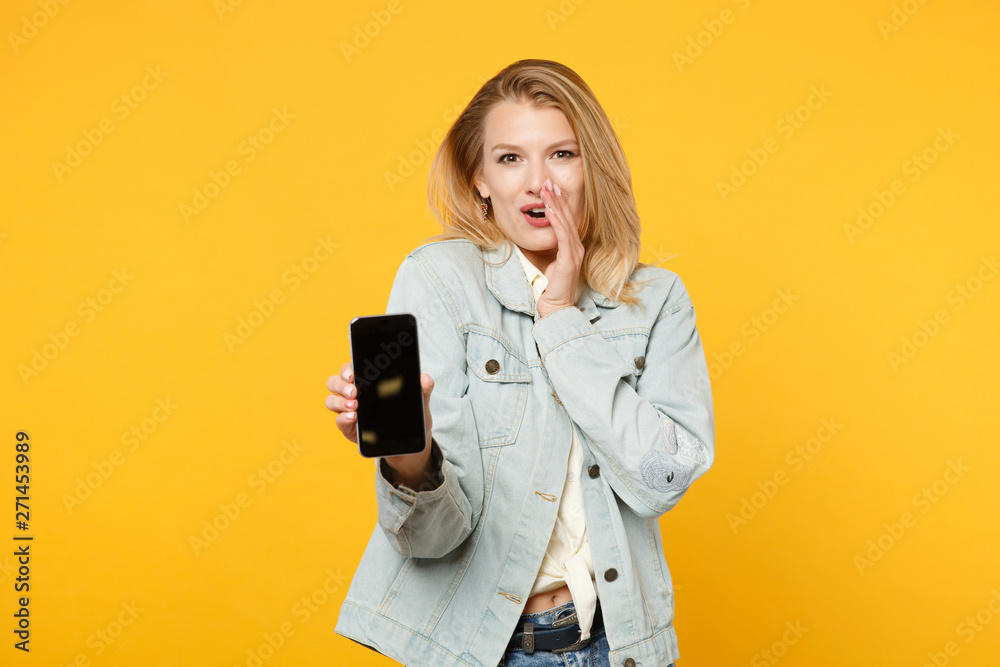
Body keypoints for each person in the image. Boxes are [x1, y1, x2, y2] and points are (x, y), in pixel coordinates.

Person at [327, 59, 714, 667]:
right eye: (510, 159)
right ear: (478, 178)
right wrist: (410, 456)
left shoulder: (657, 300)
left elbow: (665, 478)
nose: (540, 183)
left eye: (562, 154)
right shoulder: (439, 280)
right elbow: (434, 540)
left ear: (593, 168)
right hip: (488, 651)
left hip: (621, 648)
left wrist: (561, 318)